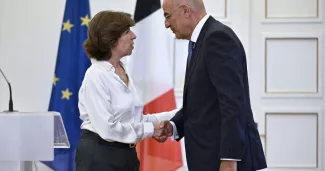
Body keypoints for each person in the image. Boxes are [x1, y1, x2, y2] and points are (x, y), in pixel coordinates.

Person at [157, 0, 268, 171]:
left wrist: (229, 160)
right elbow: (203, 103)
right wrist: (173, 126)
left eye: (167, 16)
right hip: (208, 159)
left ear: (185, 11)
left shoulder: (217, 38)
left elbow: (232, 103)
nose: (166, 24)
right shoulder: (202, 40)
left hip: (222, 161)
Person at [75, 10, 177, 171]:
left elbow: (133, 120)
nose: (133, 35)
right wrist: (151, 130)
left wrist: (177, 115)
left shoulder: (123, 70)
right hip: (100, 156)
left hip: (126, 154)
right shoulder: (95, 76)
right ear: (110, 39)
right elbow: (108, 129)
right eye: (126, 31)